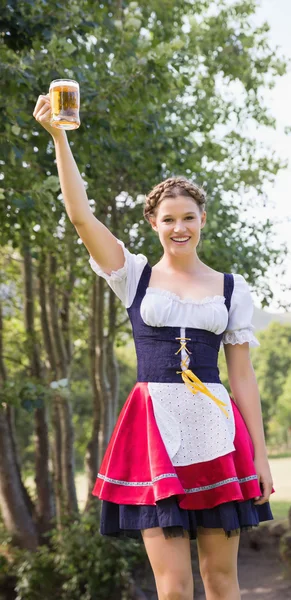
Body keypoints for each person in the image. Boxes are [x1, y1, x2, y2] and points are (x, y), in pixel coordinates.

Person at [33, 93, 275, 600]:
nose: (179, 227)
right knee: (172, 585)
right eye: (168, 219)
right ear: (154, 225)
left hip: (216, 430)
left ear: (203, 219)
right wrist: (58, 137)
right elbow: (80, 217)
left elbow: (244, 379)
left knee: (222, 579)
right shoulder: (133, 276)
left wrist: (261, 456)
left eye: (188, 217)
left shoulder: (232, 288)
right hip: (152, 430)